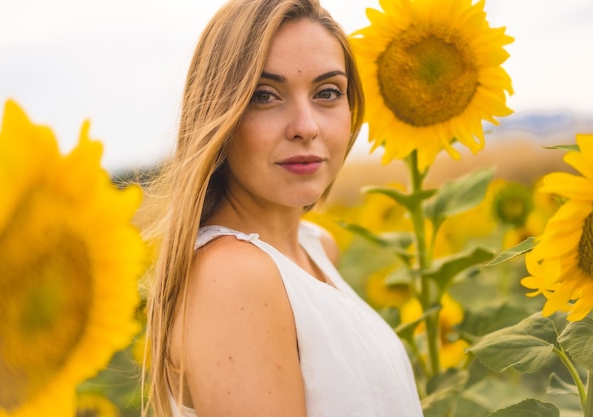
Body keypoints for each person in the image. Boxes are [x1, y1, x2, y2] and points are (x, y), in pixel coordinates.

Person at [143, 0, 424, 416]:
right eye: (264, 96)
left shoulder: (316, 247)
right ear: (219, 113)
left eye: (328, 92)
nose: (306, 127)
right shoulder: (234, 277)